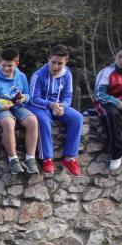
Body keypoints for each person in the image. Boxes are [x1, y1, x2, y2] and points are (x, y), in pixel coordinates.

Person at [0, 48, 39, 175]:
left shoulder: (21, 76)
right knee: (8, 123)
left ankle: (30, 159)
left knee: (33, 121)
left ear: (16, 64)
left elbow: (28, 95)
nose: (6, 68)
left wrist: (24, 98)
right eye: (3, 65)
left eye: (10, 65)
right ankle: (13, 159)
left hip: (17, 107)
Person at [27, 44, 84, 176]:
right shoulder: (38, 75)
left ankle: (70, 158)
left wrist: (62, 107)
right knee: (43, 120)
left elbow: (68, 96)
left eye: (60, 63)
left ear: (66, 62)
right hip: (40, 106)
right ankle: (47, 159)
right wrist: (51, 105)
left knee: (77, 118)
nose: (56, 66)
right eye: (53, 62)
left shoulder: (68, 74)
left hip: (58, 107)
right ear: (48, 59)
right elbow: (33, 99)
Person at [95, 47, 122, 171]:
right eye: (120, 56)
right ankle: (117, 152)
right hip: (106, 103)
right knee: (111, 114)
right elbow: (100, 94)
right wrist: (117, 102)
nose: (121, 60)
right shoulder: (107, 72)